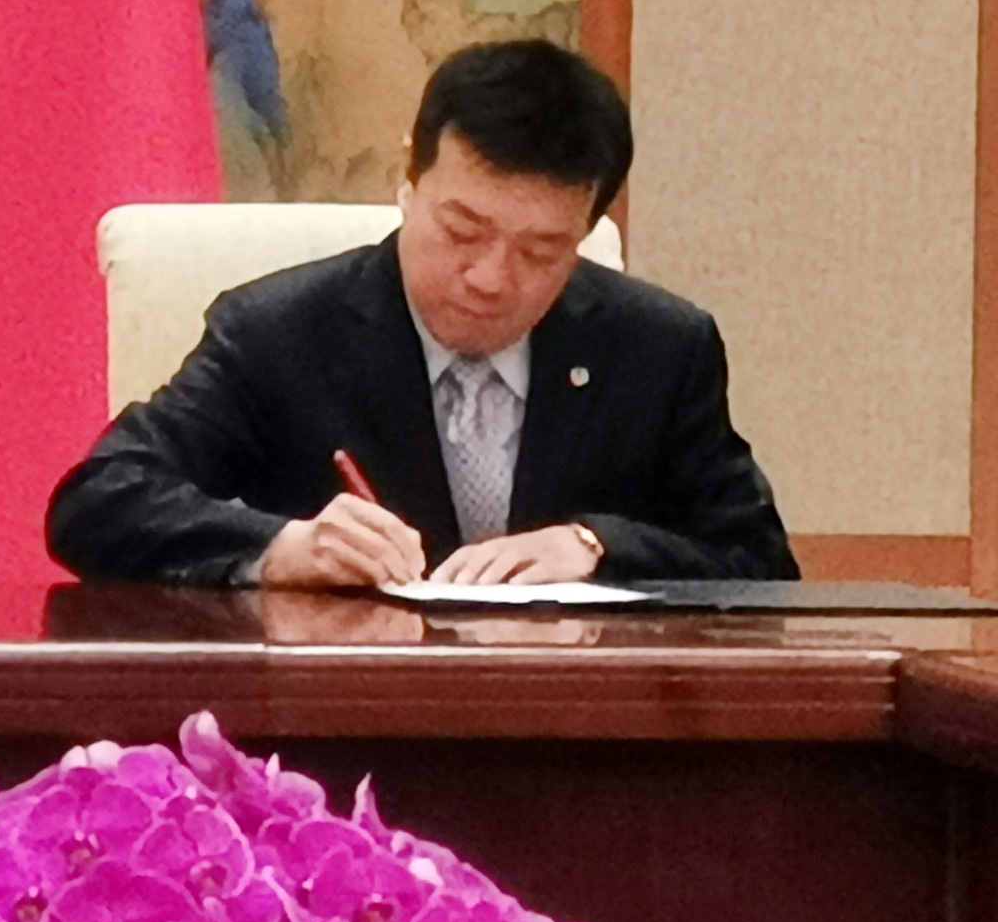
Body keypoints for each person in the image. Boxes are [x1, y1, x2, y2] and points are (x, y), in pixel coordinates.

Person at [47, 38, 800, 588]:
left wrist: (596, 546)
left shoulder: (659, 350)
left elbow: (760, 563)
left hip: (576, 727)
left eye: (541, 252)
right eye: (462, 231)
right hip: (340, 723)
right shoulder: (280, 334)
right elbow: (99, 502)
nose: (490, 278)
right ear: (406, 179)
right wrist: (281, 547)